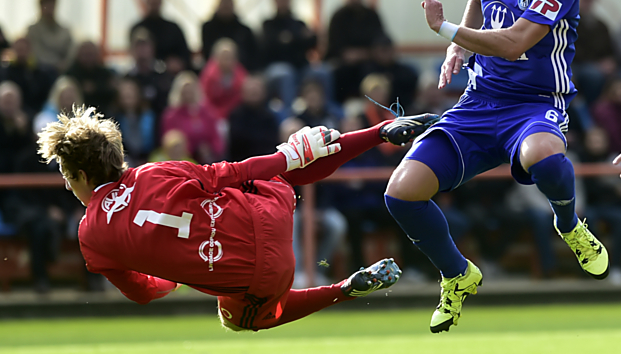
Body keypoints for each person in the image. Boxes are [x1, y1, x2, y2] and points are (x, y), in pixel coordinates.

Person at [384, 0, 610, 334]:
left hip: (533, 103)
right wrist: (458, 48)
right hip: (479, 102)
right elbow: (478, 1)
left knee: (546, 160)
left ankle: (567, 224)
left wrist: (444, 30)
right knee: (401, 194)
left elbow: (513, 43)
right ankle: (457, 274)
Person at [36, 105, 439, 331]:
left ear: (82, 176)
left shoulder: (90, 235)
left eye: (68, 177)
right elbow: (223, 173)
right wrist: (287, 157)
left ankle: (344, 289)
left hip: (260, 274)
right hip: (269, 212)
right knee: (273, 175)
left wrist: (170, 279)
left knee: (239, 320)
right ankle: (380, 132)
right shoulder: (155, 170)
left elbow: (141, 292)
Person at [129, 0, 192, 72]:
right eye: (152, 2)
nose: (154, 5)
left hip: (170, 73)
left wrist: (177, 63)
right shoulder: (137, 28)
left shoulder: (173, 29)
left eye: (156, 2)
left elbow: (185, 55)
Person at [201, 0, 259, 71]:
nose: (226, 6)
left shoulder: (244, 30)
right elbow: (206, 53)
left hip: (242, 71)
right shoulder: (208, 28)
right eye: (223, 3)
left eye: (228, 3)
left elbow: (253, 54)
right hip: (214, 71)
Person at [26, 0, 75, 72]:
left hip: (62, 70)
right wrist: (54, 64)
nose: (49, 9)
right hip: (39, 71)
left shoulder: (65, 30)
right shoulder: (33, 30)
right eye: (46, 5)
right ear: (41, 7)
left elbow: (71, 51)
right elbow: (36, 52)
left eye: (52, 5)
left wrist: (65, 64)